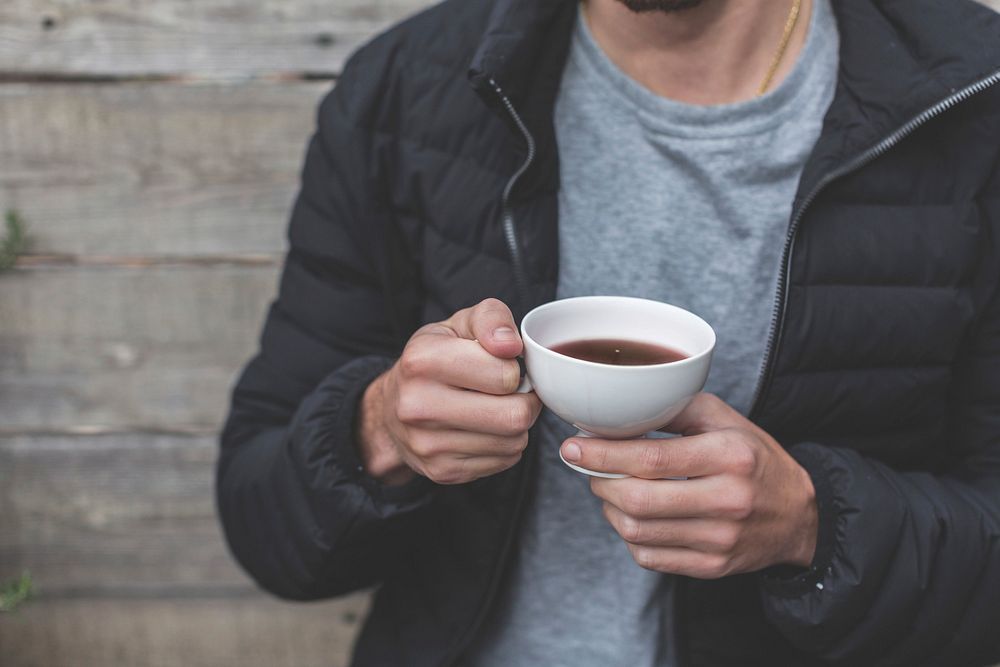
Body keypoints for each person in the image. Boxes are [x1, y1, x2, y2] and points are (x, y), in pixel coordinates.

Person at [216, 0, 1000, 664]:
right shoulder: (403, 89)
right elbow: (263, 524)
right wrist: (379, 430)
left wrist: (814, 526)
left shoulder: (973, 95)